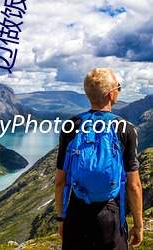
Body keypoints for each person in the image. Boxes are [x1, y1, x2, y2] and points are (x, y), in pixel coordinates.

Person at [55, 68, 143, 250]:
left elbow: (60, 181)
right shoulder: (125, 129)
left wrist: (61, 218)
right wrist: (138, 225)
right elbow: (133, 185)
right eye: (119, 87)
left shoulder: (71, 125)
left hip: (77, 212)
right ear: (111, 94)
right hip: (110, 215)